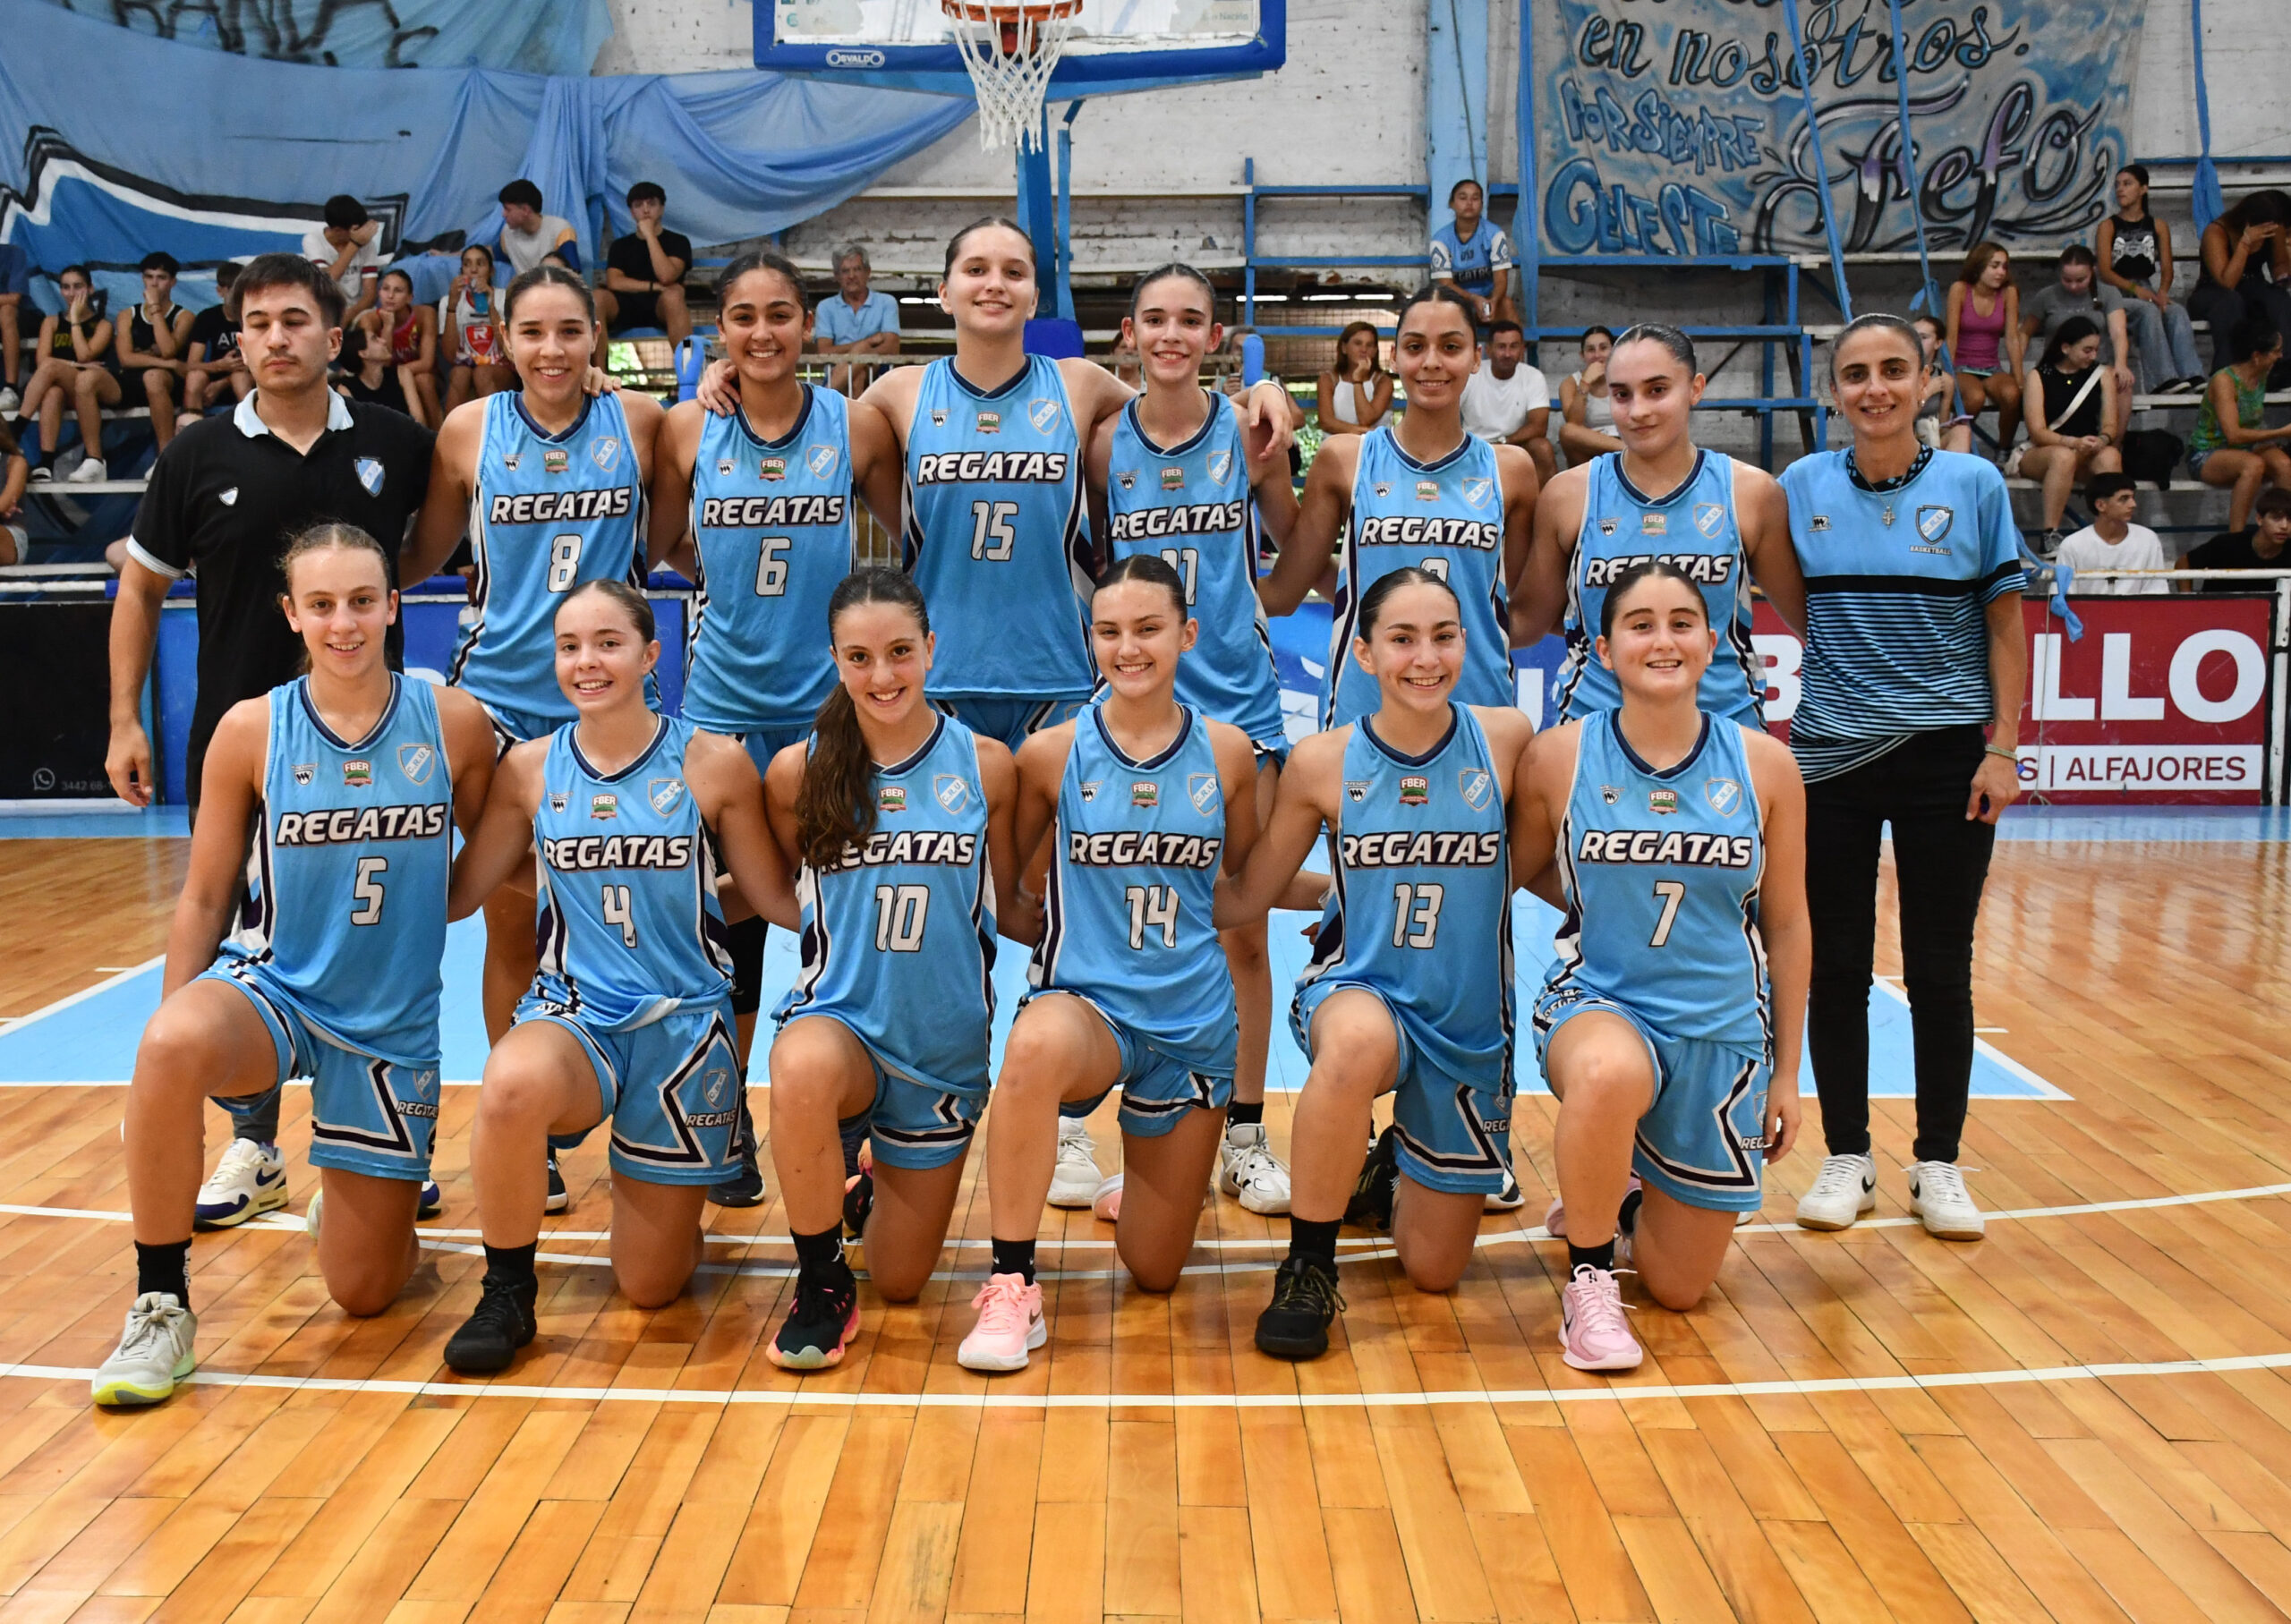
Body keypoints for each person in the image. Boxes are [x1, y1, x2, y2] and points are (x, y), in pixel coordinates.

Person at [89, 524, 494, 1407]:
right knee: (170, 1044)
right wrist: (170, 1034)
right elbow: (206, 896)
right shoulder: (250, 729)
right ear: (292, 615)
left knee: (364, 1291)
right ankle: (160, 1304)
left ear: (394, 606)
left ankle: (360, 1197)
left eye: (362, 601)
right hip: (275, 989)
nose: (344, 622)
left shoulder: (455, 724)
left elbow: (491, 867)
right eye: (322, 604)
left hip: (389, 1025)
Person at [106, 253, 439, 1224]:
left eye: (294, 320)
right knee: (235, 933)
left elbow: (425, 550)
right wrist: (124, 717)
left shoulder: (395, 442)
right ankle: (254, 1144)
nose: (276, 338)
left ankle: (383, 1135)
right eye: (257, 324)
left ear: (334, 337)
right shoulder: (196, 455)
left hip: (371, 745)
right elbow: (140, 587)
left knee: (379, 935)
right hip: (242, 748)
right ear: (239, 341)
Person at [694, 216, 1292, 758]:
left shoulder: (1079, 384)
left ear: (1033, 298)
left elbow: (1173, 405)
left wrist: (1261, 392)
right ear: (944, 292)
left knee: (1047, 848)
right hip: (938, 676)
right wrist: (733, 372)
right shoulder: (900, 393)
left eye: (1014, 272)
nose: (994, 284)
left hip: (1059, 673)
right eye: (976, 269)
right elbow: (805, 422)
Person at [437, 581, 798, 1373]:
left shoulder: (713, 763)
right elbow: (462, 893)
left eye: (607, 643)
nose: (587, 661)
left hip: (685, 1025)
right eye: (569, 646)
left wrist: (870, 892)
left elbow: (768, 896)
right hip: (575, 1012)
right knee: (509, 1083)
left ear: (649, 654)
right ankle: (507, 1290)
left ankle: (667, 1194)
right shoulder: (529, 770)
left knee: (650, 1284)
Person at [958, 556, 1262, 1373]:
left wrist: (1350, 885)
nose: (1128, 648)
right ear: (1090, 638)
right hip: (1088, 1008)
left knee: (1155, 1269)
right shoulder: (1051, 754)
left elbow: (1238, 887)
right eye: (1110, 631)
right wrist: (1068, 939)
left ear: (1187, 634)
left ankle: (1151, 1175)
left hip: (1191, 1024)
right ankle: (1013, 1283)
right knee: (1033, 1044)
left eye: (1148, 629)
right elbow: (1010, 892)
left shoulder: (1229, 754)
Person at [1220, 568, 1533, 1359]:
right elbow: (1255, 888)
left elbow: (1543, 865)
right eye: (1402, 639)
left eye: (1443, 637)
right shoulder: (1323, 761)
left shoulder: (1507, 741)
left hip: (1466, 1022)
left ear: (1466, 643)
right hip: (1358, 986)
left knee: (1433, 1269)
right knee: (1355, 1041)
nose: (1425, 658)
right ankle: (1308, 1266)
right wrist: (1135, 883)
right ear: (1363, 653)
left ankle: (1387, 1167)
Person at [647, 248, 903, 1205]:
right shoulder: (688, 428)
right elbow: (660, 544)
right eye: (744, 317)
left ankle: (853, 1125)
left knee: (843, 911)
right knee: (733, 922)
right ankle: (725, 1119)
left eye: (781, 315)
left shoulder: (855, 424)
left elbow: (908, 541)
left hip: (827, 708)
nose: (763, 332)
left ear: (810, 324)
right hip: (721, 703)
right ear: (721, 330)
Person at [1514, 560, 1807, 1371]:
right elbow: (1511, 870)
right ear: (1605, 649)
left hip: (1720, 1028)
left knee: (1679, 1286)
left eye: (1682, 622)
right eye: (1639, 624)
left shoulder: (1767, 766)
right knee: (1607, 1072)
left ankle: (1617, 1193)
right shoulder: (1560, 757)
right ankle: (1589, 1282)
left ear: (1713, 641)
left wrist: (1788, 1073)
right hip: (1600, 1000)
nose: (1663, 639)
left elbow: (1787, 924)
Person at [1778, 313, 2026, 1244]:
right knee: (1834, 967)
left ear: (1927, 382)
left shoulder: (1974, 484)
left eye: (1893, 370)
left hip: (1945, 761)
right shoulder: (1801, 486)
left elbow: (2006, 627)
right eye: (1855, 374)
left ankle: (1939, 1162)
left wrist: (2003, 748)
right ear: (1833, 391)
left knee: (1938, 969)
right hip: (1830, 761)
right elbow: (1801, 607)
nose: (1874, 388)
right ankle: (1848, 1155)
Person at [758, 569, 1025, 1367]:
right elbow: (788, 893)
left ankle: (865, 1177)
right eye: (860, 657)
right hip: (841, 1022)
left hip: (940, 1048)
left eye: (901, 651)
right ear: (835, 659)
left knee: (903, 1279)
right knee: (799, 1065)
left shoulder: (986, 766)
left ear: (931, 648)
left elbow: (1010, 903)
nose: (882, 675)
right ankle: (820, 1282)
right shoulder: (797, 772)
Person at [405, 264, 662, 1071]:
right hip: (499, 699)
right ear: (505, 342)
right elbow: (420, 555)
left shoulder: (642, 420)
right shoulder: (468, 429)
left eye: (570, 331)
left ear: (596, 339)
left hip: (612, 700)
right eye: (533, 332)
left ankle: (637, 1090)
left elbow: (673, 538)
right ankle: (524, 1108)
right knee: (511, 918)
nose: (552, 349)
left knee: (641, 915)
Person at [1090, 263, 1303, 1216]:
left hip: (1241, 706)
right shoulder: (1104, 446)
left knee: (1241, 930)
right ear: (1130, 334)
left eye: (1190, 320)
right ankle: (1110, 1128)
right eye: (1155, 319)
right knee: (1126, 923)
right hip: (1138, 710)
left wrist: (1280, 413)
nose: (1171, 334)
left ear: (1215, 338)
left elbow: (1293, 544)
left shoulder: (1250, 431)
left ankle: (1246, 1138)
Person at [1264, 285, 1537, 733]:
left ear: (1476, 358)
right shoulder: (1345, 459)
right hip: (1363, 708)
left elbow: (1511, 608)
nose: (1431, 361)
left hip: (1478, 710)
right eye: (1415, 347)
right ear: (1394, 357)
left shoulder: (1512, 471)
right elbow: (1287, 588)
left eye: (1451, 347)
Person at [1517, 322, 1803, 732]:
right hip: (1593, 730)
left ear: (1695, 389)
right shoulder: (1568, 495)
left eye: (1656, 390)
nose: (1638, 411)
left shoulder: (1750, 493)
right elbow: (1530, 620)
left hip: (1725, 729)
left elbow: (1810, 621)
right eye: (1622, 394)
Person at [2095, 165, 2208, 392]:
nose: (2120, 189)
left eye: (2127, 184)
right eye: (2117, 185)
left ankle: (2192, 374)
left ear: (2143, 189)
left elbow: (2167, 268)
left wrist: (2163, 292)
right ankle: (2161, 380)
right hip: (2114, 291)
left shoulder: (2158, 225)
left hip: (2146, 287)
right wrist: (2136, 290)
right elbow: (2105, 271)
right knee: (2147, 311)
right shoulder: (2107, 226)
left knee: (2176, 312)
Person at [2016, 316, 2121, 550]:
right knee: (2063, 457)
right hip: (2044, 451)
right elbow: (2037, 431)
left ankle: (2110, 530)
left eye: (2095, 350)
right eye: (2087, 350)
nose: (2093, 356)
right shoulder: (2038, 376)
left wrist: (2102, 439)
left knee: (2110, 456)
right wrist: (2071, 442)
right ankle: (2049, 534)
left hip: (2085, 448)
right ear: (2066, 348)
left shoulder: (2101, 374)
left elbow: (2110, 424)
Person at [13, 264, 117, 483]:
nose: (71, 293)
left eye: (78, 286)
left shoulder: (103, 325)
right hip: (66, 388)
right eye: (66, 287)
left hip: (93, 390)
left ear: (90, 289)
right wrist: (74, 364)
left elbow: (85, 355)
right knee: (53, 392)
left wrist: (75, 320)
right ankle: (46, 464)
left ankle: (17, 428)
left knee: (54, 368)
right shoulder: (51, 322)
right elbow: (42, 362)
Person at [2188, 315, 2291, 535]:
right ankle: (2236, 538)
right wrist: (2281, 432)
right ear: (2257, 356)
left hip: (2245, 449)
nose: (2280, 356)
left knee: (2283, 464)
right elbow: (2233, 435)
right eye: (2276, 351)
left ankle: (2281, 530)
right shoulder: (2224, 381)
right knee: (2253, 465)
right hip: (2208, 453)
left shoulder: (2262, 375)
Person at [2017, 249, 2134, 435]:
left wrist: (2121, 364)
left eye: (2080, 280)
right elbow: (2024, 333)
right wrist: (2016, 371)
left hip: (2095, 367)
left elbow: (2118, 332)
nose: (2073, 286)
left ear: (2092, 272)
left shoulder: (2108, 293)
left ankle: (2114, 444)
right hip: (2057, 368)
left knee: (2123, 385)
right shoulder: (2046, 296)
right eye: (2067, 280)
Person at [2190, 189, 2291, 383]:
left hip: (2252, 285)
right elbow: (2227, 282)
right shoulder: (2216, 231)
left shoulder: (2274, 227)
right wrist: (2245, 244)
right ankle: (2225, 372)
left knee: (2278, 298)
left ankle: (2284, 365)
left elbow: (2279, 265)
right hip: (2213, 291)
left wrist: (2283, 275)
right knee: (2230, 302)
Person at [594, 181, 694, 361]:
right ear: (632, 212)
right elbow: (614, 282)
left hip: (662, 307)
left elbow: (666, 276)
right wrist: (654, 287)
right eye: (638, 205)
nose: (645, 210)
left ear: (662, 208)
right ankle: (598, 375)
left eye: (652, 204)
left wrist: (649, 235)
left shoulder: (678, 242)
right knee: (596, 298)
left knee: (673, 296)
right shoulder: (620, 246)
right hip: (624, 306)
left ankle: (688, 371)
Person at [1945, 242, 2023, 455]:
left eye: (2004, 267)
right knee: (1975, 397)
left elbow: (2012, 338)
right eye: (1994, 266)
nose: (2001, 272)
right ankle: (1955, 445)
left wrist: (2018, 377)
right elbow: (1951, 337)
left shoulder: (2009, 293)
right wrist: (1948, 374)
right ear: (1979, 266)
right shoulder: (1960, 289)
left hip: (1991, 366)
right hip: (1962, 365)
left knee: (2012, 395)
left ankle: (2004, 450)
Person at [115, 251, 196, 453]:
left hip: (168, 382)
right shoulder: (127, 315)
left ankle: (164, 454)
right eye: (149, 277)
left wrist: (154, 307)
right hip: (133, 379)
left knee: (153, 377)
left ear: (173, 282)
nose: (154, 283)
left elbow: (168, 350)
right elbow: (126, 359)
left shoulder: (184, 316)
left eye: (161, 278)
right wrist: (167, 363)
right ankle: (94, 459)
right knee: (88, 380)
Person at [1461, 319, 1556, 484]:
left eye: (1513, 346)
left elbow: (1539, 427)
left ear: (1522, 349)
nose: (1507, 353)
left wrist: (1503, 442)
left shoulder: (1533, 376)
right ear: (1488, 350)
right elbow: (1444, 413)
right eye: (1501, 347)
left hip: (1515, 445)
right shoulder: (1471, 374)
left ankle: (1545, 501)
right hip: (1474, 446)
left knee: (1542, 447)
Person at [2056, 472, 2168, 595]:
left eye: (2133, 498)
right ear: (2100, 505)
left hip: (2138, 608)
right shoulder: (2072, 544)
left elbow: (2156, 590)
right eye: (2124, 499)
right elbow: (2063, 594)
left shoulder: (2148, 539)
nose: (2133, 505)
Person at [814, 244, 902, 397]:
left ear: (868, 272)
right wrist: (866, 343)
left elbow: (892, 347)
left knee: (859, 368)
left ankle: (823, 398)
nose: (851, 276)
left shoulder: (886, 302)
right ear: (837, 276)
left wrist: (863, 355)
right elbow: (825, 351)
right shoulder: (826, 307)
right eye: (845, 271)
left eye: (857, 269)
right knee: (858, 376)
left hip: (878, 372)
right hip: (838, 370)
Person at [357, 269, 439, 429]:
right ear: (379, 292)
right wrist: (388, 326)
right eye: (385, 289)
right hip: (383, 378)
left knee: (423, 379)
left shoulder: (424, 314)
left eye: (398, 290)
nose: (390, 296)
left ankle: (440, 433)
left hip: (418, 376)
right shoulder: (369, 320)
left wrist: (400, 375)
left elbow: (427, 363)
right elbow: (383, 363)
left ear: (410, 297)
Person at [1428, 178, 1516, 327]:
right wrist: (1473, 298)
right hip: (1456, 302)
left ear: (1482, 204)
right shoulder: (1440, 240)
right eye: (1463, 198)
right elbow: (1446, 284)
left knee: (1506, 305)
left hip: (1488, 300)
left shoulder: (1494, 234)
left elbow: (1501, 279)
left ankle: (1517, 344)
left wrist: (1493, 301)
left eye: (1475, 198)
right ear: (1452, 204)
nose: (1469, 203)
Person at [442, 243, 514, 412]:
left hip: (501, 366)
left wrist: (491, 306)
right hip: (465, 364)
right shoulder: (449, 300)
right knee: (459, 373)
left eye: (480, 264)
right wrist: (452, 306)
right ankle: (449, 428)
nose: (473, 270)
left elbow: (509, 349)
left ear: (491, 271)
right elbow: (450, 356)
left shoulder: (505, 297)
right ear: (461, 271)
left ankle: (496, 427)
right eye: (467, 264)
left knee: (482, 373)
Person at [2184, 485, 2291, 590]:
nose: (2284, 526)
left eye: (2290, 520)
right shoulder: (2226, 544)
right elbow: (2184, 564)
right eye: (2276, 518)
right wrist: (2187, 599)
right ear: (2259, 519)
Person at [302, 195, 383, 327]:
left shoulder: (367, 244)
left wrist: (349, 315)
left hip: (357, 310)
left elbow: (370, 295)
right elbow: (327, 280)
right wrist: (355, 244)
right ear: (338, 231)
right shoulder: (313, 240)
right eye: (356, 230)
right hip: (326, 309)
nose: (362, 233)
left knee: (369, 322)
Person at [185, 261, 251, 416]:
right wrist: (219, 366)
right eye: (232, 290)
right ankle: (192, 426)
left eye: (241, 290)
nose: (236, 296)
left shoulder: (254, 317)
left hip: (248, 376)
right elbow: (191, 364)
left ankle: (251, 429)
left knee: (239, 378)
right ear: (220, 291)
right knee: (195, 377)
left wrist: (222, 383)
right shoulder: (207, 317)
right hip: (213, 374)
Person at [1315, 321, 1392, 437]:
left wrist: (1358, 381)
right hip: (1337, 446)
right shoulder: (1327, 380)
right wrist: (1361, 432)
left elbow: (1366, 418)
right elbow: (1326, 422)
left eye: (1369, 345)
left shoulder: (1384, 382)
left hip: (1373, 447)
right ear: (1344, 348)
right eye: (1358, 343)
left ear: (1375, 351)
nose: (1364, 349)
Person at [1559, 326, 1621, 464]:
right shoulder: (1570, 383)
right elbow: (1574, 424)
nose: (1597, 355)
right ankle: (1627, 451)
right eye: (1591, 350)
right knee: (1567, 431)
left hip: (1625, 437)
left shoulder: (1626, 376)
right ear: (1582, 355)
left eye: (1603, 348)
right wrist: (1585, 383)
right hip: (1590, 446)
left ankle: (1628, 450)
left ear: (1613, 351)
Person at [1912, 314, 1973, 454]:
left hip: (1929, 440)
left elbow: (1941, 428)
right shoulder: (1898, 375)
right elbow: (1897, 420)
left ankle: (1948, 468)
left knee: (1963, 431)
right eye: (1913, 336)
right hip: (1902, 440)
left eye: (1924, 337)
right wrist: (1927, 393)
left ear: (1938, 343)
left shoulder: (1944, 380)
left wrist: (1950, 425)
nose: (1916, 342)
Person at [497, 180, 580, 276]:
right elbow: (495, 254)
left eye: (507, 209)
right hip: (525, 286)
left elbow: (574, 276)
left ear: (525, 210)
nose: (503, 214)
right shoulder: (507, 233)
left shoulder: (561, 230)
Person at [336, 319, 413, 418]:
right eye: (375, 339)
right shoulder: (346, 389)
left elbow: (419, 419)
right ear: (363, 353)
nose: (383, 341)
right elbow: (355, 425)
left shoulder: (402, 373)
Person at [0, 239, 30, 415]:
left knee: (7, 311)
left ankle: (10, 388)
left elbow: (14, 298)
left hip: (18, 318)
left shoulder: (14, 253)